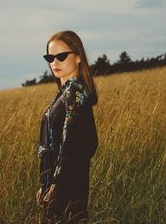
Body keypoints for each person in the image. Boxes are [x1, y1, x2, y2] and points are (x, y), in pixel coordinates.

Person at [36, 30, 99, 223]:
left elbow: (74, 144)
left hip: (67, 190)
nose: (54, 62)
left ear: (78, 56)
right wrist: (45, 185)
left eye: (61, 56)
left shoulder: (75, 93)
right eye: (50, 57)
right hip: (56, 188)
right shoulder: (65, 92)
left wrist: (58, 185)